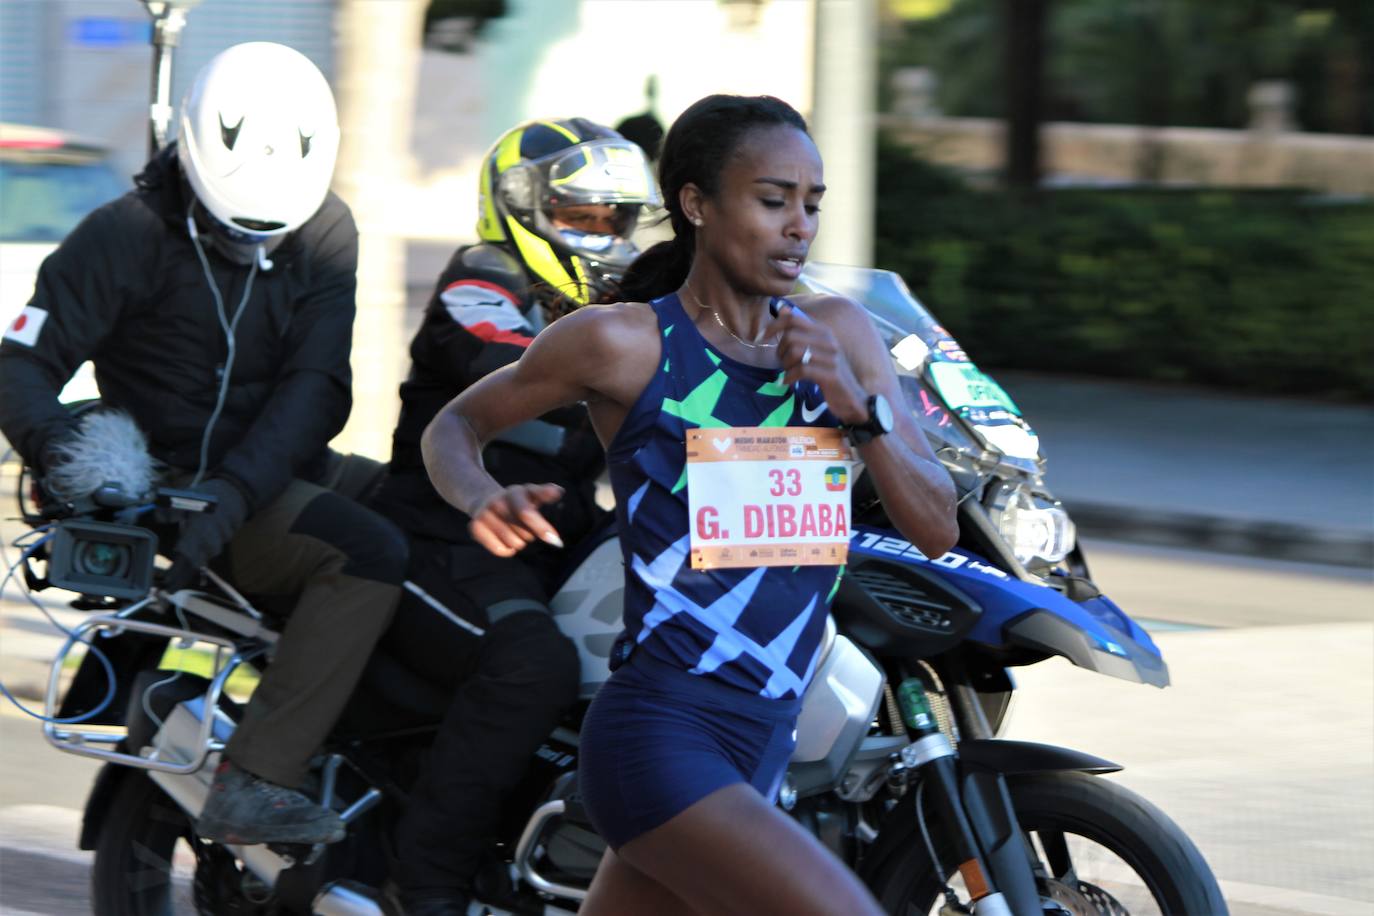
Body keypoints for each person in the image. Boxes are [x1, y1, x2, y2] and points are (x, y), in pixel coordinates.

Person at [420, 94, 959, 915]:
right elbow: (456, 424)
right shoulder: (625, 343)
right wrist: (482, 495)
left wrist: (858, 408)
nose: (799, 227)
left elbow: (936, 523)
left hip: (767, 734)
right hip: (661, 734)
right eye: (773, 200)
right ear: (697, 204)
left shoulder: (841, 334)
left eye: (811, 205)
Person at [0, 42, 405, 847]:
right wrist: (72, 452)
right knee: (367, 557)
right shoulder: (126, 233)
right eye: (230, 228)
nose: (252, 244)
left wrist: (241, 492)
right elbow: (19, 363)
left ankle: (376, 750)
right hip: (171, 486)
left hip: (263, 474)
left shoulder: (327, 229)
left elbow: (316, 384)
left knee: (422, 513)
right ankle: (258, 776)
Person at [369, 117, 660, 914]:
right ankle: (425, 884)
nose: (602, 236)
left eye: (616, 219)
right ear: (522, 207)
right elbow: (504, 359)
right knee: (531, 666)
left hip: (560, 529)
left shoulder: (620, 301)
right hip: (449, 529)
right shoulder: (481, 276)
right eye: (581, 217)